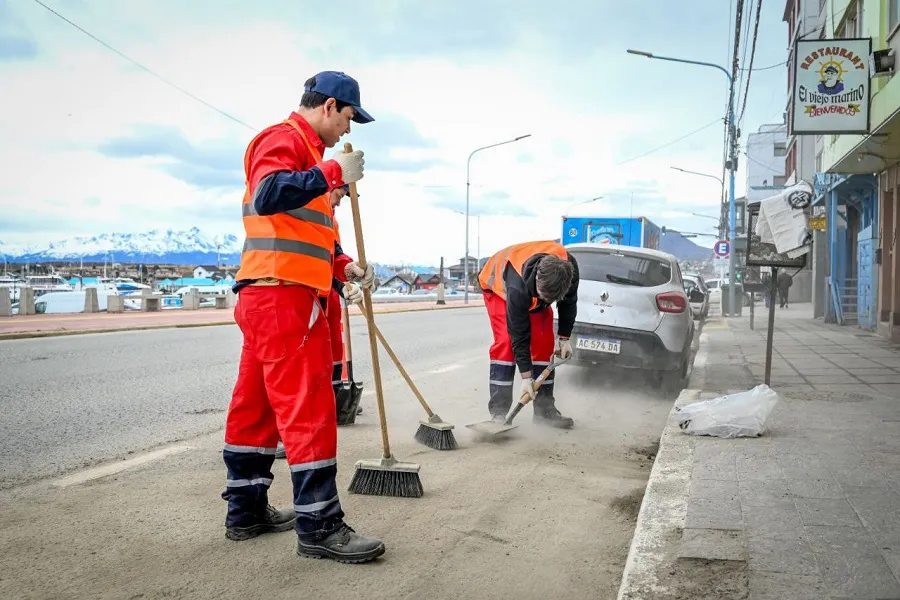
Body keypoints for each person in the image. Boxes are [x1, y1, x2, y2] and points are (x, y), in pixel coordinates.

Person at [221, 70, 386, 564]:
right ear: (331, 106)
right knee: (309, 408)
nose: (349, 132)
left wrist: (346, 265)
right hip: (285, 299)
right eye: (350, 118)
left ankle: (245, 510)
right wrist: (334, 173)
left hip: (270, 297)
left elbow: (308, 234)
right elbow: (270, 193)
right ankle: (320, 524)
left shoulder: (311, 162)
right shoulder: (283, 139)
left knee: (257, 407)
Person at [272, 185, 362, 459]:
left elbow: (329, 257)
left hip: (319, 298)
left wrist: (348, 273)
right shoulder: (303, 209)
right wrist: (337, 282)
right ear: (329, 188)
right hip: (288, 295)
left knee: (322, 368)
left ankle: (313, 427)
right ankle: (281, 435)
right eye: (339, 195)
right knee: (289, 375)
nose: (340, 202)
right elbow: (301, 258)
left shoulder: (328, 218)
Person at [477, 240, 580, 429]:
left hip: (531, 285)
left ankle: (544, 411)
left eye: (549, 300)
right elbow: (519, 334)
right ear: (537, 280)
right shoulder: (517, 286)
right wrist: (526, 378)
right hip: (498, 289)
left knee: (544, 344)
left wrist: (564, 338)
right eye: (541, 296)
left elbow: (569, 303)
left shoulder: (569, 268)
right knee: (507, 344)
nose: (543, 301)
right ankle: (499, 414)